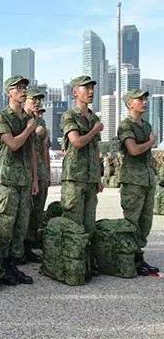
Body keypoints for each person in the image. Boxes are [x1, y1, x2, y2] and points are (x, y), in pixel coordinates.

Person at [0, 75, 37, 285]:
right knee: (5, 226)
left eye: (24, 87)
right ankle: (1, 267)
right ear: (9, 92)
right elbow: (13, 144)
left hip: (24, 179)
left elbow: (31, 151)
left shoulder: (28, 118)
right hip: (7, 180)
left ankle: (13, 265)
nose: (23, 91)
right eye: (18, 88)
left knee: (21, 225)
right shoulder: (1, 117)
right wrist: (28, 129)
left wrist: (34, 179)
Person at [60, 75, 103, 277]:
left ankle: (85, 263)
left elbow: (95, 149)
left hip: (90, 177)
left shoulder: (94, 118)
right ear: (75, 92)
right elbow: (76, 142)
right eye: (86, 88)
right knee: (73, 224)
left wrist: (99, 176)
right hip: (74, 178)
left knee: (89, 224)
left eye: (92, 87)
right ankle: (70, 266)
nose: (91, 91)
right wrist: (94, 130)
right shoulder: (69, 116)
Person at [117, 89, 160, 276]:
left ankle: (139, 257)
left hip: (147, 179)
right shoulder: (126, 125)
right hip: (133, 181)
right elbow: (133, 150)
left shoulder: (146, 125)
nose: (144, 102)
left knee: (145, 222)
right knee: (132, 222)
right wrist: (151, 142)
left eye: (145, 99)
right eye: (139, 99)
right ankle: (129, 259)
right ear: (129, 104)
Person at [24, 88, 48, 263]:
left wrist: (46, 171)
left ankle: (29, 244)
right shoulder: (20, 119)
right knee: (24, 210)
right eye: (34, 99)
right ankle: (19, 247)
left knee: (37, 210)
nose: (37, 102)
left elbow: (44, 148)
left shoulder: (41, 121)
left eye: (39, 100)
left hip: (39, 170)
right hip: (23, 170)